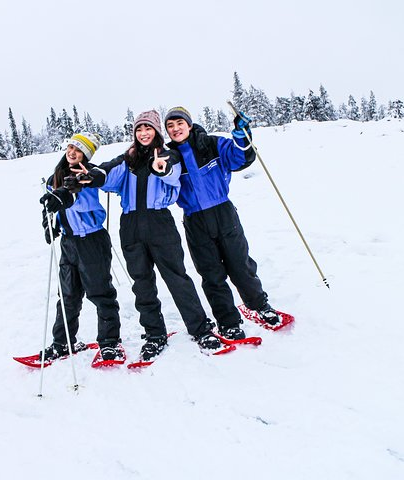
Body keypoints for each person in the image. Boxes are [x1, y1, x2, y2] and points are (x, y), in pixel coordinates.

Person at [72, 110, 223, 360]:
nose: (143, 133)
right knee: (142, 283)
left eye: (148, 129)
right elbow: (108, 172)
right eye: (139, 129)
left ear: (156, 132)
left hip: (159, 222)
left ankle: (200, 329)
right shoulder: (127, 159)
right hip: (130, 225)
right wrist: (94, 175)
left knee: (177, 277)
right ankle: (154, 334)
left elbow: (172, 171)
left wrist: (161, 169)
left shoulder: (167, 154)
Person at [163, 106, 286, 339]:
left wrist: (241, 134)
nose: (175, 129)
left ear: (189, 124)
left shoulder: (211, 144)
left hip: (223, 213)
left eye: (179, 123)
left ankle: (259, 305)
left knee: (240, 264)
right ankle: (227, 320)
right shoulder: (172, 157)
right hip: (195, 220)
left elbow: (240, 157)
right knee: (211, 273)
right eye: (170, 126)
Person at [39, 132, 123, 363]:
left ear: (86, 155)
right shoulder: (54, 177)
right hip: (69, 242)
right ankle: (62, 342)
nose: (72, 152)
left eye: (79, 150)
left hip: (92, 241)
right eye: (71, 147)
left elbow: (77, 199)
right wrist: (49, 221)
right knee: (67, 296)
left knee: (100, 293)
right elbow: (52, 203)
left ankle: (110, 343)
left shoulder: (90, 175)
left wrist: (63, 198)